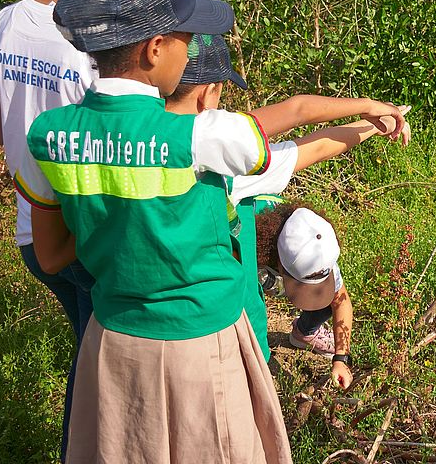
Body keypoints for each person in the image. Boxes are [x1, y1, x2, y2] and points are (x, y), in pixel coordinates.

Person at [14, 0, 293, 463]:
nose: (191, 50)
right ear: (155, 48)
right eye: (186, 36)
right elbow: (260, 145)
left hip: (114, 343)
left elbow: (52, 256)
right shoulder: (207, 135)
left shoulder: (49, 136)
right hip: (202, 343)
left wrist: (112, 223)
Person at [0, 0, 166, 461]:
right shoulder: (98, 37)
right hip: (92, 235)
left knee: (94, 362)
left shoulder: (7, 22)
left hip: (35, 233)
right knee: (107, 388)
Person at [163, 33, 410, 387]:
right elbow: (308, 132)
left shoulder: (137, 132)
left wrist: (375, 121)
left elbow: (307, 125)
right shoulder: (222, 148)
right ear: (208, 92)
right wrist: (374, 113)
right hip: (205, 310)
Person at [258, 202, 357, 390]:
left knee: (328, 296)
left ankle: (304, 332)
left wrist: (341, 358)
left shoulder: (317, 246)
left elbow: (341, 301)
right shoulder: (246, 240)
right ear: (279, 260)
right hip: (251, 265)